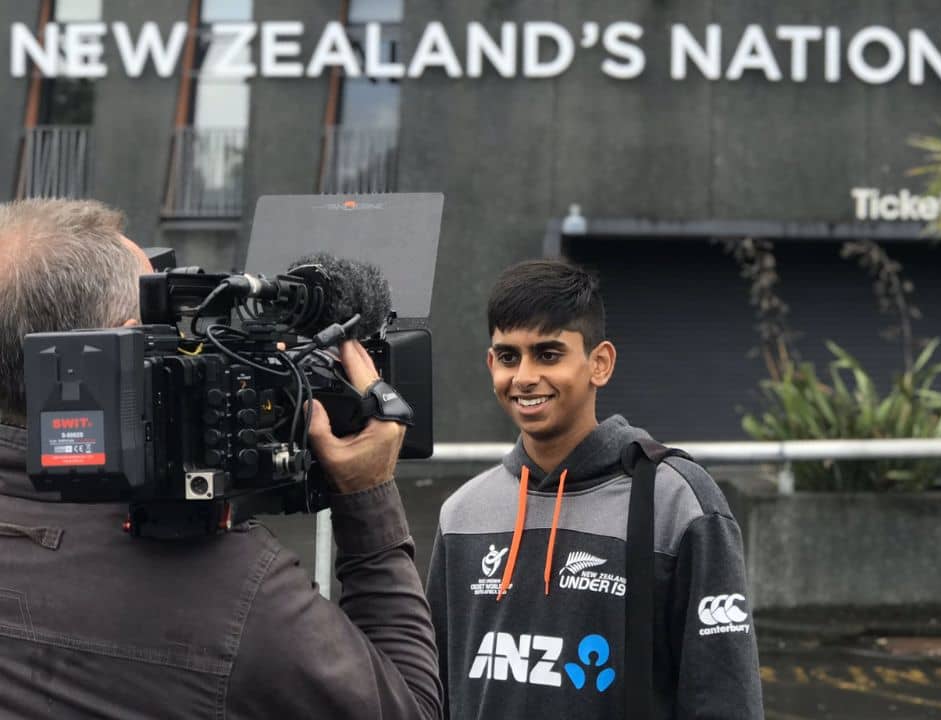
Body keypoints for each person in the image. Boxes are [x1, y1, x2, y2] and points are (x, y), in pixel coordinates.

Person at [0, 198, 443, 718]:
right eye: (169, 324)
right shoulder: (233, 592)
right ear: (126, 343)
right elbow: (411, 708)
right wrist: (368, 498)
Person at [426, 259, 764, 718]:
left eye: (548, 354)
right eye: (508, 357)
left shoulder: (677, 504)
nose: (524, 377)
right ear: (491, 364)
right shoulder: (462, 514)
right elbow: (433, 693)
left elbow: (726, 701)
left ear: (599, 364)